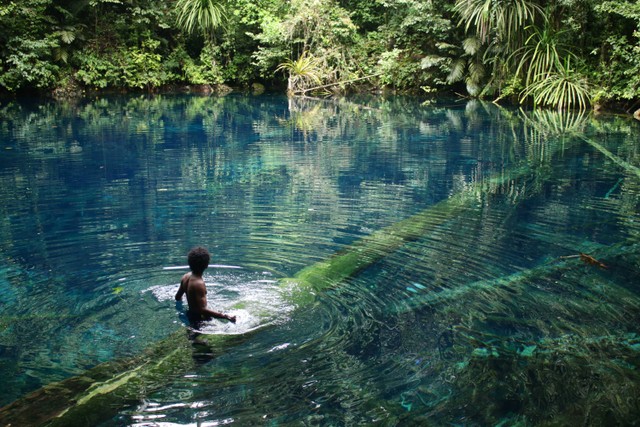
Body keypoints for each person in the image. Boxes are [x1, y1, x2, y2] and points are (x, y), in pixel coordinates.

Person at [175, 246, 236, 323]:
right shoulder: (198, 284)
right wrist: (225, 316)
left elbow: (177, 297)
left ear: (190, 263)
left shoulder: (185, 276)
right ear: (206, 265)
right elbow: (202, 310)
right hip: (199, 320)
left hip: (190, 315)